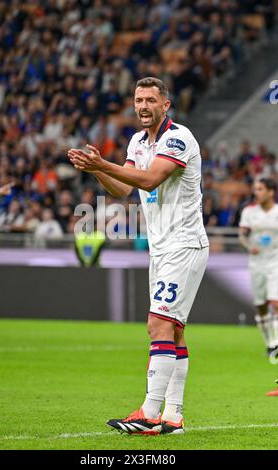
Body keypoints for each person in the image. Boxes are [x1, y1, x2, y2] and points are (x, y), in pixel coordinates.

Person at [68, 77, 209, 435]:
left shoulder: (178, 138)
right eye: (138, 100)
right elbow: (124, 187)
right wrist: (97, 168)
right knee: (173, 330)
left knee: (157, 324)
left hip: (183, 243)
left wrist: (104, 162)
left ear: (166, 105)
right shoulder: (137, 142)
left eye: (150, 99)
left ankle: (148, 413)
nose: (143, 106)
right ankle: (173, 417)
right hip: (161, 247)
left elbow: (149, 180)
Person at [239, 178, 278, 361]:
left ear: (271, 192)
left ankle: (276, 343)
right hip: (256, 263)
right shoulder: (249, 212)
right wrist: (248, 246)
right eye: (255, 189)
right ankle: (269, 342)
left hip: (275, 262)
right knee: (261, 306)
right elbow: (242, 236)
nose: (257, 193)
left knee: (276, 303)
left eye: (261, 189)